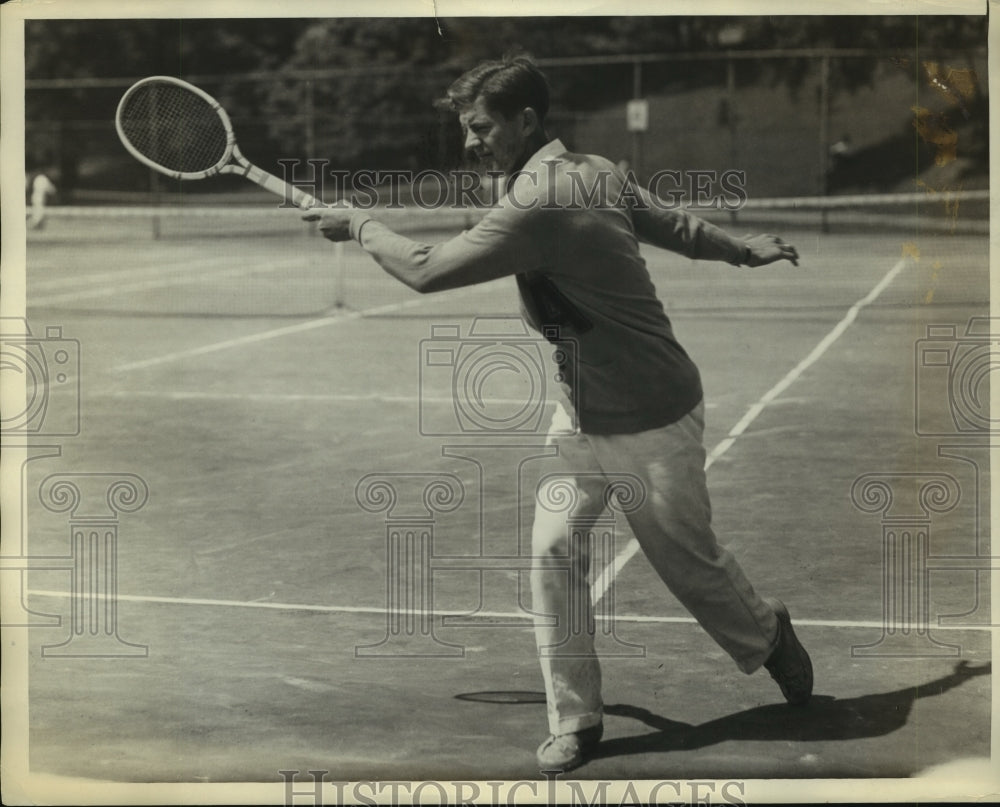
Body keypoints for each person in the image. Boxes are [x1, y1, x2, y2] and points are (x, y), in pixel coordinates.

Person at [304, 55, 811, 772]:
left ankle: (768, 635)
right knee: (552, 552)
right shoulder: (588, 168)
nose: (470, 142)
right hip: (579, 413)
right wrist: (739, 249)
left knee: (689, 568)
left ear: (527, 121)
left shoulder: (544, 197)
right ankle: (578, 718)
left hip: (653, 414)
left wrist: (359, 224)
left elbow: (424, 269)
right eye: (464, 130)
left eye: (481, 128)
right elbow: (669, 222)